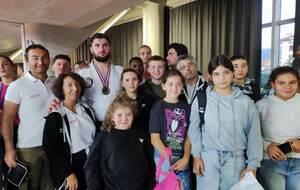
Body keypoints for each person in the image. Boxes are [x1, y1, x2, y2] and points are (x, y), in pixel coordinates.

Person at [189, 55, 263, 190]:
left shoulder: (245, 102)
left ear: (233, 73)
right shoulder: (201, 99)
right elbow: (194, 131)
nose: (222, 78)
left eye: (226, 72)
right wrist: (196, 156)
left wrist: (253, 165)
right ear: (210, 76)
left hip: (235, 160)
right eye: (216, 74)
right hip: (207, 160)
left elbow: (254, 135)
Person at [2, 44, 54, 190]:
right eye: (35, 58)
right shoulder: (17, 86)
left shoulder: (56, 82)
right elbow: (7, 119)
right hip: (29, 149)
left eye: (44, 58)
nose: (40, 62)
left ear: (49, 59)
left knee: (51, 186)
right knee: (28, 187)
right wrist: (9, 149)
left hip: (53, 146)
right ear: (26, 60)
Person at [84, 94, 154, 190]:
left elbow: (150, 160)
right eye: (119, 115)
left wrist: (151, 185)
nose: (124, 119)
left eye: (128, 115)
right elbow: (91, 165)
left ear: (133, 115)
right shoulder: (104, 136)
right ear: (112, 116)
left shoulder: (141, 133)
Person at [43, 72, 96, 190]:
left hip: (91, 162)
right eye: (69, 85)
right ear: (61, 89)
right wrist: (68, 173)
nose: (75, 88)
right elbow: (51, 149)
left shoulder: (87, 109)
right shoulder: (56, 116)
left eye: (77, 84)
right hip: (72, 164)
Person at [256, 66, 300, 190]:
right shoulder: (260, 106)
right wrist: (267, 146)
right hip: (271, 161)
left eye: (292, 82)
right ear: (273, 84)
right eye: (281, 83)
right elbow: (252, 134)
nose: (288, 87)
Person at [150, 69, 192, 190]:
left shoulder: (186, 107)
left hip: (182, 160)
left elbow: (189, 136)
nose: (175, 88)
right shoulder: (157, 107)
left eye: (179, 84)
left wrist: (186, 158)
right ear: (163, 86)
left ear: (183, 86)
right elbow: (154, 139)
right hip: (163, 159)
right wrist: (170, 159)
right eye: (170, 84)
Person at [77, 33, 123, 123]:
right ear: (91, 49)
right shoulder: (82, 74)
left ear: (110, 48)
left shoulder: (121, 71)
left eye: (105, 45)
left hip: (118, 123)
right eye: (97, 45)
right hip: (92, 123)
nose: (101, 49)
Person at [0, 56, 18, 190]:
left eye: (5, 64)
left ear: (12, 66)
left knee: (16, 166)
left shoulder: (20, 86)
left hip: (17, 130)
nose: (1, 67)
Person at [119, 68, 153, 134]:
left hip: (145, 136)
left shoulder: (148, 99)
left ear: (139, 81)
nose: (131, 83)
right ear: (122, 83)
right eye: (127, 80)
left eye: (134, 79)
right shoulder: (118, 102)